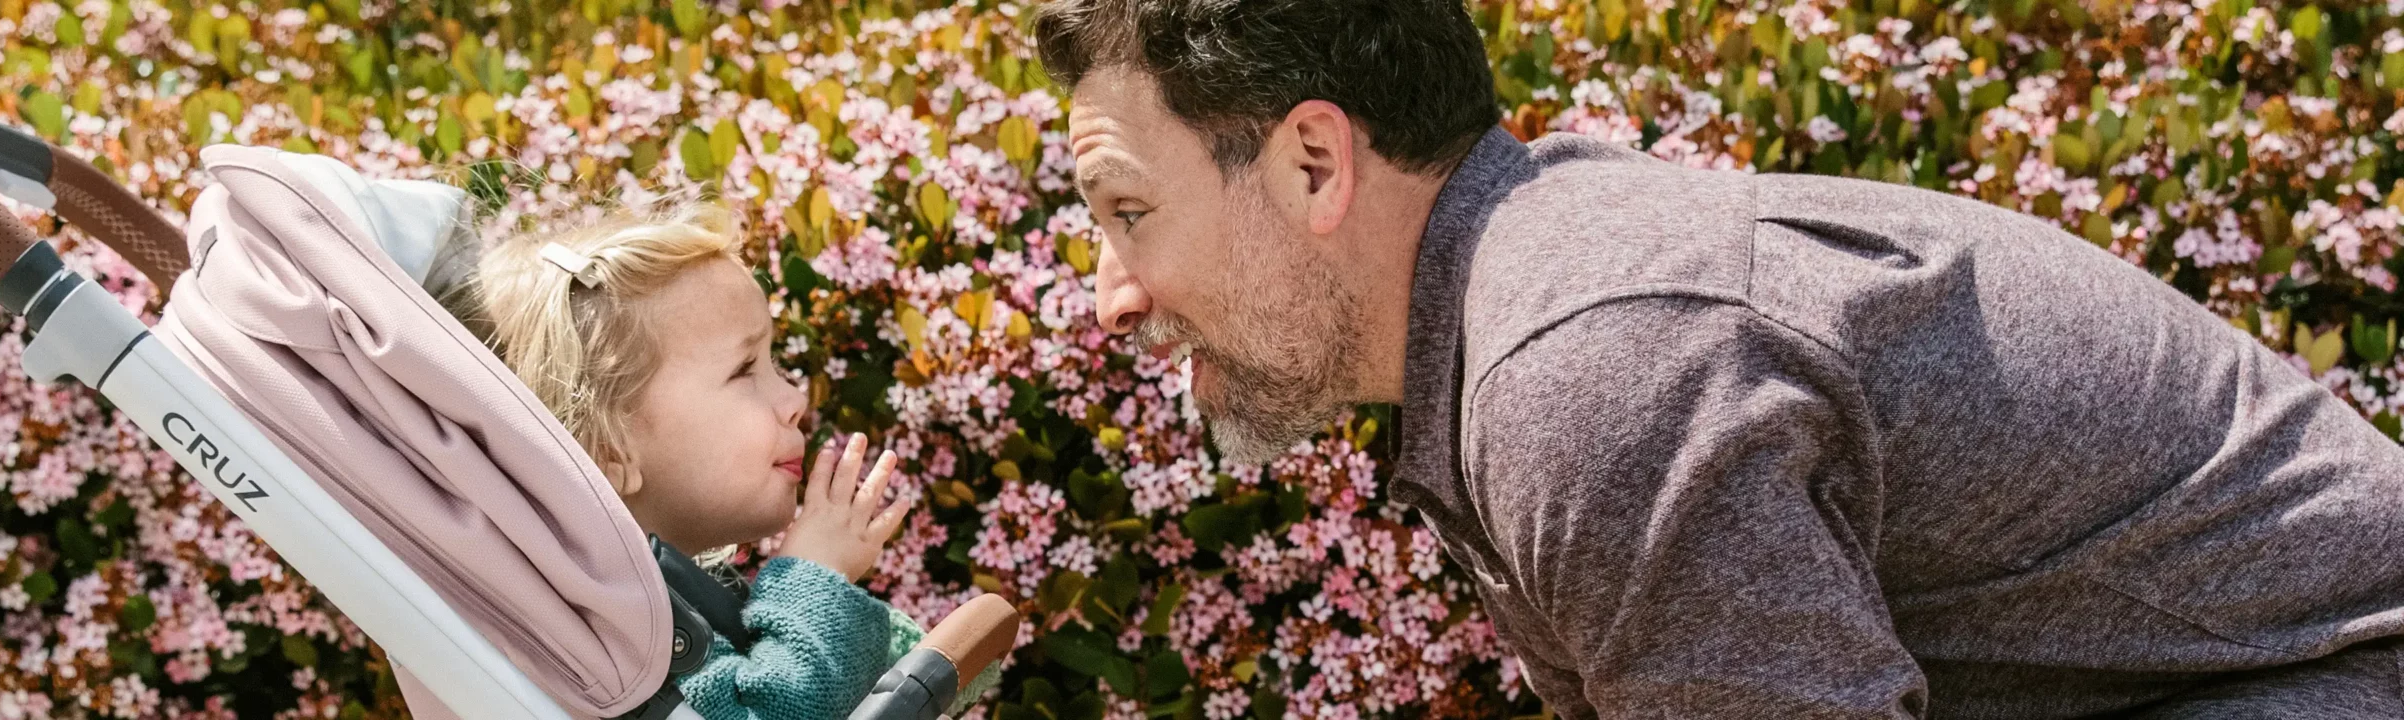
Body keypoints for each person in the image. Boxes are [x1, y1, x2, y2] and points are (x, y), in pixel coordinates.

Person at [1032, 0, 2404, 717]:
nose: (1110, 297)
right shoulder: (1529, 297)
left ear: (1316, 160)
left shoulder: (1592, 371)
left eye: (1128, 213)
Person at [436, 200, 988, 720]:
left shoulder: (646, 603)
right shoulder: (624, 635)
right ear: (608, 448)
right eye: (744, 370)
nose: (796, 399)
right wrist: (817, 578)